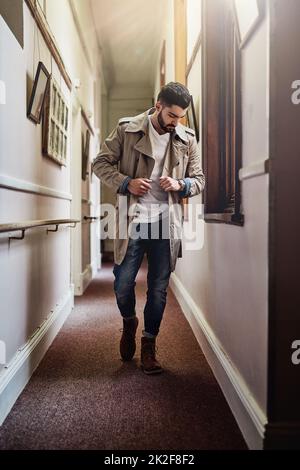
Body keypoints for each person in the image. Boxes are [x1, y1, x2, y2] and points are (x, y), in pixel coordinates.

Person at [92, 82, 205, 375]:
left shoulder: (186, 138)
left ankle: (149, 345)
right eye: (171, 115)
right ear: (157, 106)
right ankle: (129, 322)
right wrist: (126, 182)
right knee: (121, 284)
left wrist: (181, 184)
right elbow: (100, 163)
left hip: (167, 223)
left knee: (157, 289)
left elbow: (200, 179)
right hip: (133, 221)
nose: (175, 123)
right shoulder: (127, 129)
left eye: (180, 117)